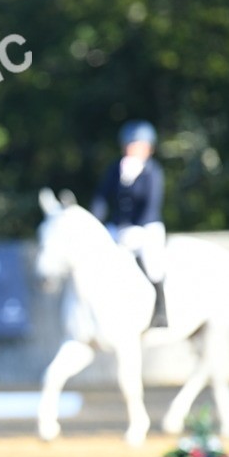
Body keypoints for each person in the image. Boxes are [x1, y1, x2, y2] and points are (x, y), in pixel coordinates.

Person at [91, 119, 167, 327]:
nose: (131, 148)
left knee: (153, 263)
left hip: (146, 226)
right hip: (118, 225)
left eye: (137, 144)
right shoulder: (116, 169)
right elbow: (102, 198)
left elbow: (152, 203)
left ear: (148, 147)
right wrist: (95, 223)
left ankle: (160, 309)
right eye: (129, 144)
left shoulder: (153, 171)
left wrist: (136, 228)